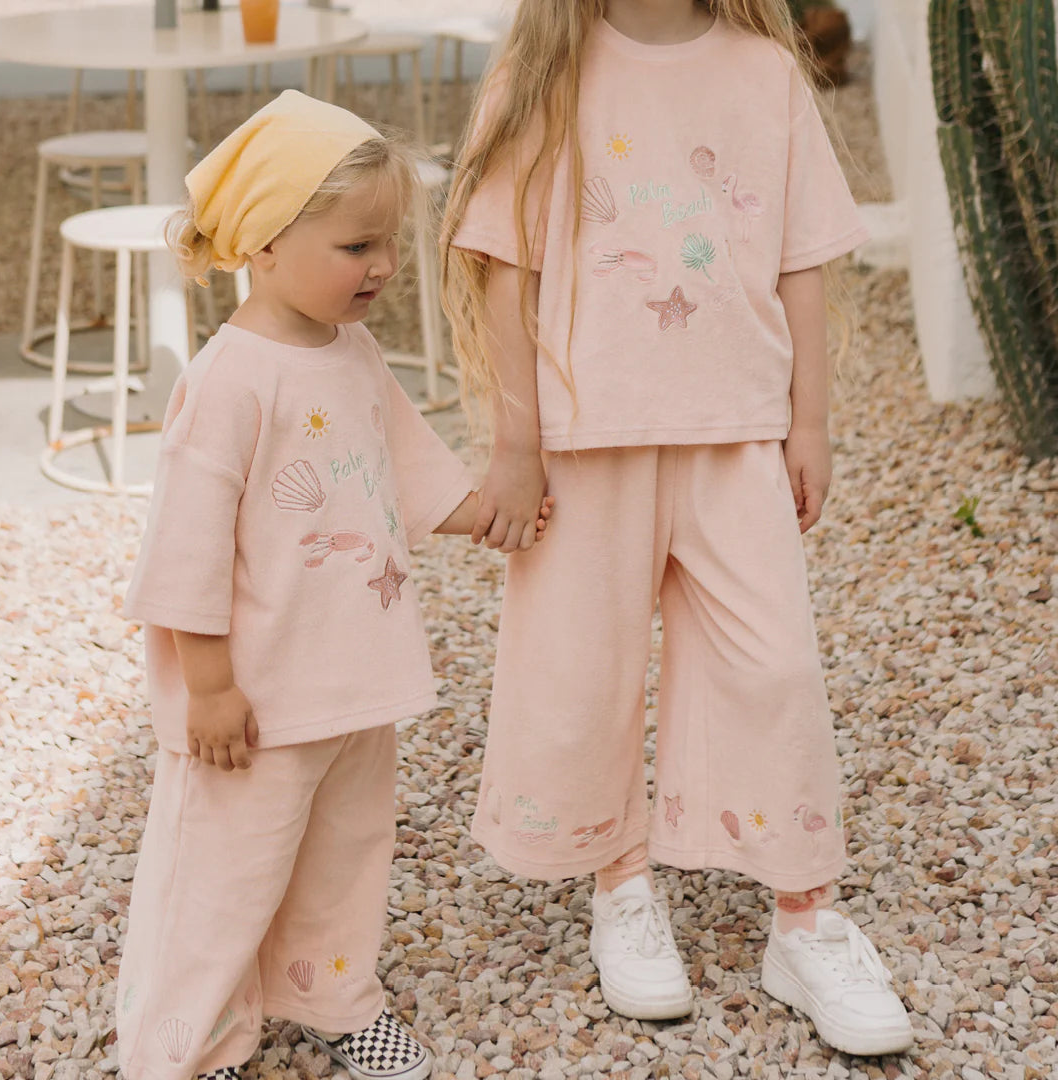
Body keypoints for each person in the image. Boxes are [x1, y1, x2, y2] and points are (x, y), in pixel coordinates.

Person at [440, 0, 914, 1056]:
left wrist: (812, 421)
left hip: (736, 428)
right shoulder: (544, 68)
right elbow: (504, 267)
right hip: (582, 438)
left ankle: (805, 918)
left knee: (777, 666)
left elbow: (801, 256)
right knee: (584, 668)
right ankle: (621, 882)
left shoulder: (764, 70)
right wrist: (517, 443)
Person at [116, 90, 550, 1080]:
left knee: (346, 851)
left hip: (353, 674)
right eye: (357, 247)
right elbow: (186, 548)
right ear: (264, 245)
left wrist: (478, 509)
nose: (385, 268)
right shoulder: (229, 381)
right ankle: (185, 1041)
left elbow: (402, 457)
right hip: (259, 697)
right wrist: (211, 686)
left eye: (388, 244)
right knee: (225, 870)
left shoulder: (351, 353)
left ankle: (333, 991)